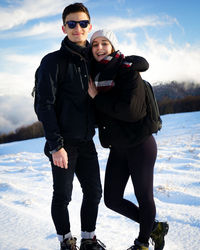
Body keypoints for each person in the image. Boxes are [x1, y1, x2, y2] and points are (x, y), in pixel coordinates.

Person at [88, 29, 169, 250]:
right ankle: (154, 227)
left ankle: (142, 243)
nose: (99, 48)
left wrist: (96, 97)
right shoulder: (95, 74)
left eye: (105, 43)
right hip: (119, 146)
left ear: (113, 46)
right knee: (112, 199)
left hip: (141, 143)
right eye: (95, 44)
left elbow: (130, 112)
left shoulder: (128, 71)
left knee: (144, 196)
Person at [34, 3, 106, 250]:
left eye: (83, 23)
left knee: (94, 192)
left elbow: (122, 68)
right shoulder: (52, 62)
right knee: (63, 196)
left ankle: (88, 239)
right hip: (63, 144)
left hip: (86, 141)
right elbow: (43, 105)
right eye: (72, 24)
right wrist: (56, 145)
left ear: (90, 26)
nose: (78, 28)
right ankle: (66, 241)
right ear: (63, 28)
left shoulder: (95, 59)